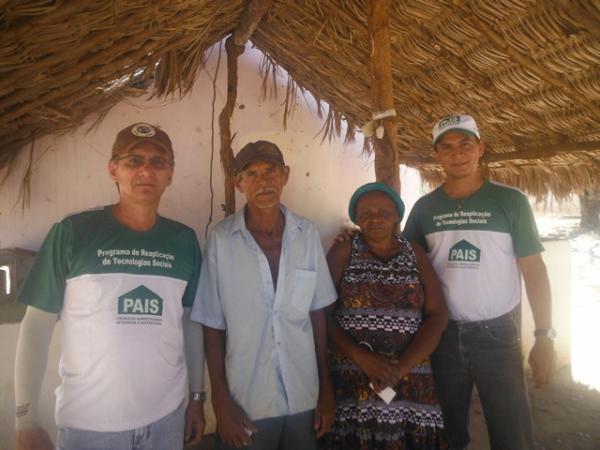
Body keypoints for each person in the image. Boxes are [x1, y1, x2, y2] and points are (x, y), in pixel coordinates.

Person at [14, 123, 206, 450]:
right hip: (89, 428)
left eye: (158, 161)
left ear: (170, 173)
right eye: (134, 160)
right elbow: (36, 327)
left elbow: (189, 322)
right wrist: (26, 419)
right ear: (113, 169)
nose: (146, 169)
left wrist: (198, 396)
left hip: (166, 421)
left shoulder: (184, 241)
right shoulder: (73, 233)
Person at [402, 114, 556, 450]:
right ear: (437, 155)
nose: (457, 153)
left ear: (480, 148)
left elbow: (534, 269)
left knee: (513, 434)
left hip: (497, 334)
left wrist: (544, 335)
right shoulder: (424, 208)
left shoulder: (510, 201)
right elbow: (402, 259)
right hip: (442, 334)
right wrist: (353, 239)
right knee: (446, 433)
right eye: (447, 147)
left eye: (465, 145)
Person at [191, 140, 337, 450]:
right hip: (247, 402)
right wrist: (220, 401)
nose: (264, 182)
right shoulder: (221, 241)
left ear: (285, 175)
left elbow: (317, 316)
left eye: (271, 171)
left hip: (304, 396)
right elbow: (213, 327)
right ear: (238, 183)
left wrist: (326, 390)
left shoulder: (306, 234)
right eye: (252, 174)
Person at [324, 182, 449, 449]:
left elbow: (438, 314)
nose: (375, 216)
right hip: (353, 376)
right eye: (366, 212)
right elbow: (321, 312)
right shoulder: (344, 250)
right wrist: (361, 357)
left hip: (412, 378)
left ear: (397, 216)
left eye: (384, 210)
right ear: (356, 218)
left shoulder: (414, 253)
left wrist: (401, 367)